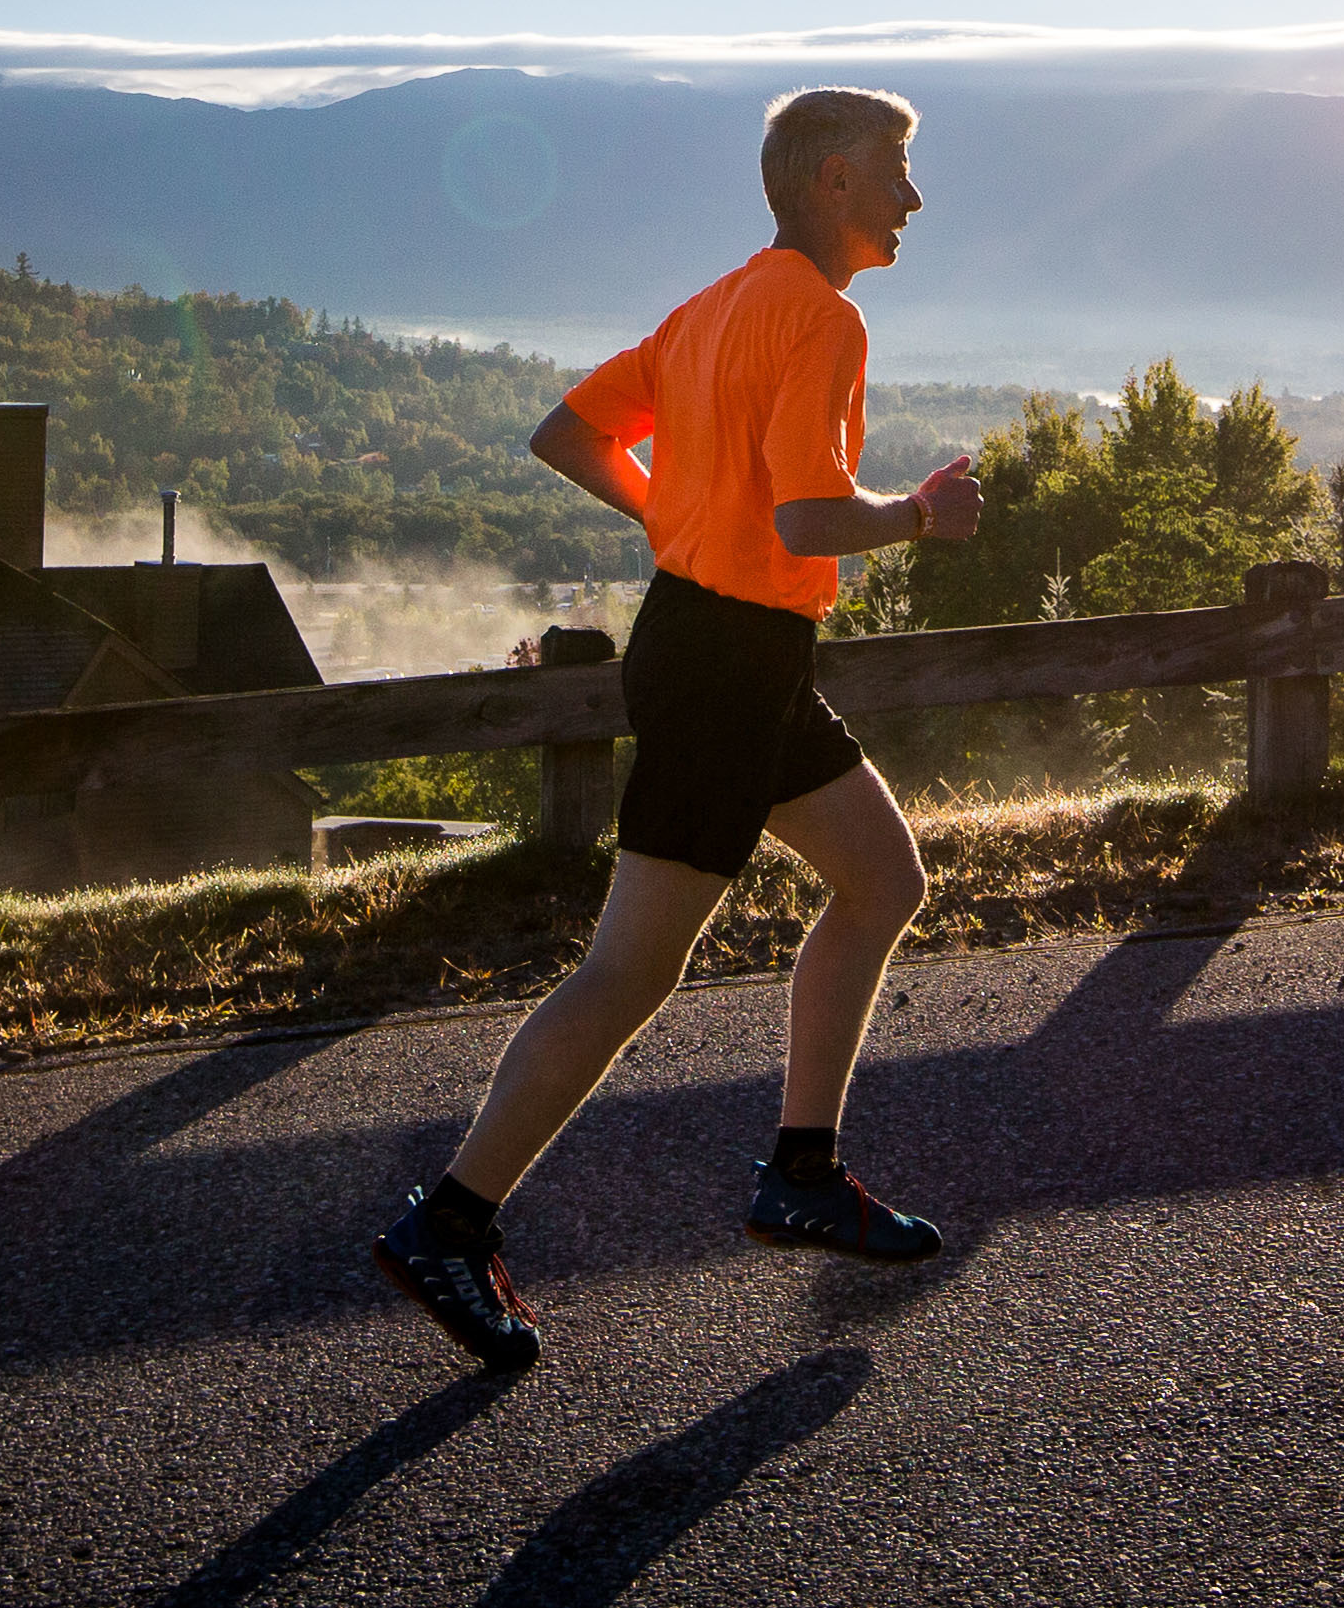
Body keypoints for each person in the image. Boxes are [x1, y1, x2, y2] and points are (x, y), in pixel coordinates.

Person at [367, 85, 983, 1372]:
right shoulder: (819, 318)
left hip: (729, 648)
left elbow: (567, 432)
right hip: (724, 663)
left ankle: (803, 1170)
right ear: (828, 183)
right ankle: (449, 1219)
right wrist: (922, 516)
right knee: (629, 970)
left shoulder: (713, 308)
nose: (912, 199)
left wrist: (665, 519)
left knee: (880, 877)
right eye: (894, 172)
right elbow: (812, 521)